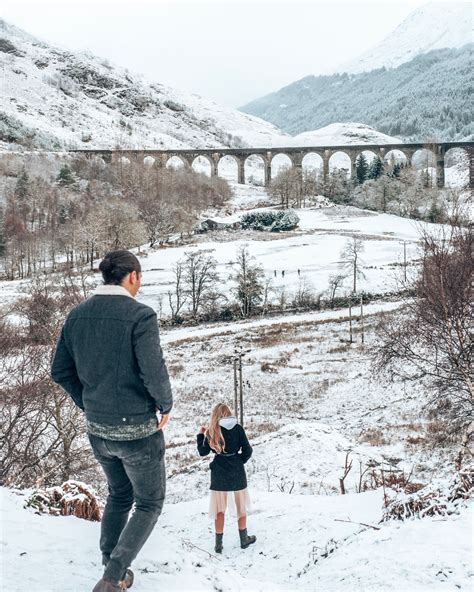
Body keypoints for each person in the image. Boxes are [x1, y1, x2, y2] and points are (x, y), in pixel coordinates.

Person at [51, 250, 173, 592]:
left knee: (119, 494)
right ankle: (114, 574)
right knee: (149, 502)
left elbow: (59, 370)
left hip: (98, 431)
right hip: (137, 432)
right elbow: (153, 370)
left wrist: (88, 403)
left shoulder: (77, 316)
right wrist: (165, 404)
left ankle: (110, 563)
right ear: (132, 276)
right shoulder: (140, 316)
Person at [197, 403, 256, 554]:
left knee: (219, 511)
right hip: (237, 472)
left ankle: (218, 545)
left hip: (219, 473)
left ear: (215, 415)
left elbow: (203, 452)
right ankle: (244, 540)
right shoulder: (238, 428)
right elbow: (248, 451)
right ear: (228, 413)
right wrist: (238, 461)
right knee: (241, 508)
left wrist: (200, 435)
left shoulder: (211, 431)